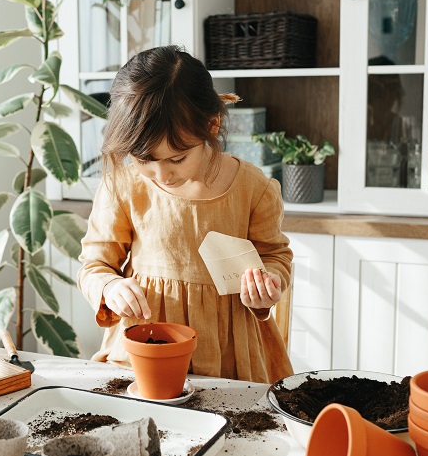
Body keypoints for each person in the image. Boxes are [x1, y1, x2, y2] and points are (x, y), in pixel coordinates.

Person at [78, 45, 294, 384]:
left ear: (211, 125)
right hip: (143, 350)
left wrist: (268, 285)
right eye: (144, 159)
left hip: (230, 358)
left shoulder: (254, 188)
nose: (162, 175)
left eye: (176, 159)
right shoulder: (123, 186)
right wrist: (110, 288)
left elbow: (275, 257)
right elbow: (94, 265)